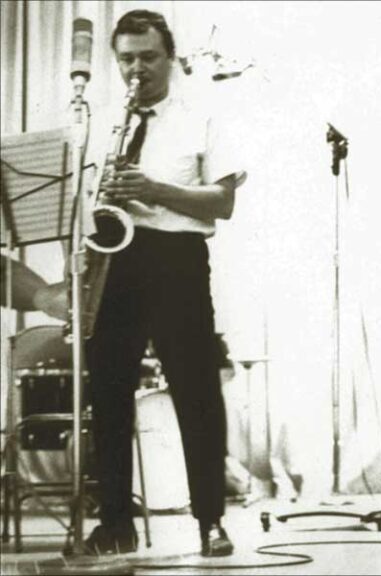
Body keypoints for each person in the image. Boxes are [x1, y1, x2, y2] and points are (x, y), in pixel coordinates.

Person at [82, 10, 244, 556]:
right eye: (126, 58)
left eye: (148, 57)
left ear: (169, 56)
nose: (137, 69)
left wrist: (153, 190)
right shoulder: (104, 119)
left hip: (177, 259)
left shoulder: (205, 114)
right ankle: (114, 524)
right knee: (106, 393)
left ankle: (211, 522)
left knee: (196, 391)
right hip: (114, 258)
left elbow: (222, 203)